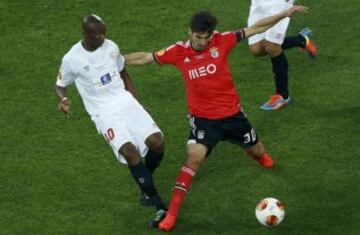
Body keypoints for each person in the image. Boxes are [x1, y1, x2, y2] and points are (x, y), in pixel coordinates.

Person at [124, 5, 308, 231]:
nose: (202, 42)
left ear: (212, 34)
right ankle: (171, 215)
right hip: (203, 121)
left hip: (233, 117)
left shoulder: (223, 40)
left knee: (258, 151)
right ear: (189, 32)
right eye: (198, 37)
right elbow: (145, 58)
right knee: (193, 159)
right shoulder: (178, 52)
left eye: (206, 37)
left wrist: (283, 14)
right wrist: (116, 60)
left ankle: (260, 157)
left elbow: (256, 27)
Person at [55, 14, 167, 228]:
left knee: (157, 143)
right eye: (98, 34)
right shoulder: (71, 59)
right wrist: (64, 99)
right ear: (86, 34)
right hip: (103, 113)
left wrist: (137, 101)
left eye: (104, 32)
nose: (103, 37)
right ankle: (159, 205)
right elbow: (60, 84)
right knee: (129, 152)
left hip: (125, 102)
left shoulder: (111, 46)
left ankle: (145, 181)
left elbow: (124, 73)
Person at [247, 0, 317, 110]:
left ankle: (282, 95)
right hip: (259, 4)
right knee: (257, 50)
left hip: (279, 4)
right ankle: (301, 40)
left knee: (272, 46)